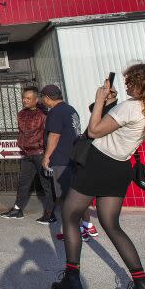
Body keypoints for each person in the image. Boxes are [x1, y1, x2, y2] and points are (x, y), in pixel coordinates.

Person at [51, 64, 145, 289]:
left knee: (71, 215)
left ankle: (72, 281)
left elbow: (94, 130)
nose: (127, 85)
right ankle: (143, 287)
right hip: (120, 168)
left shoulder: (131, 106)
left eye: (132, 82)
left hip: (98, 164)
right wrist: (110, 104)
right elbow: (113, 128)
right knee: (112, 224)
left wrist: (99, 100)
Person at [38, 85, 93, 239]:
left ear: (47, 97)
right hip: (73, 157)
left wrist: (47, 156)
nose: (43, 101)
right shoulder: (70, 109)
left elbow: (54, 136)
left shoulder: (55, 112)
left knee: (66, 198)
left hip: (61, 159)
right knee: (75, 194)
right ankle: (87, 225)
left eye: (43, 98)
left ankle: (76, 232)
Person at [0, 88, 54, 222]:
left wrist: (47, 153)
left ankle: (50, 213)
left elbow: (49, 134)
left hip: (40, 153)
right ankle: (17, 210)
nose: (25, 100)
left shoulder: (43, 114)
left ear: (36, 100)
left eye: (28, 98)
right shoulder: (21, 114)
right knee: (23, 183)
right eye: (24, 97)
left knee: (46, 184)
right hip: (26, 154)